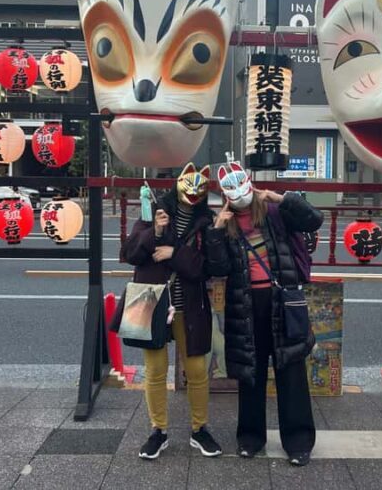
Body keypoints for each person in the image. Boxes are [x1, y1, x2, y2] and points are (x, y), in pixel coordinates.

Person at [205, 162, 323, 466]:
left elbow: (314, 220)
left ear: (250, 183)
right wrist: (216, 231)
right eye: (231, 191)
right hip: (244, 304)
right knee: (251, 372)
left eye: (242, 187)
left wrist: (282, 198)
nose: (239, 196)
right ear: (225, 195)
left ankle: (298, 441)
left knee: (291, 371)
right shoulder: (226, 223)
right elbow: (218, 269)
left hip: (281, 300)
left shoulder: (274, 211)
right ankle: (250, 438)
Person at [121, 163, 222, 460]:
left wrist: (174, 253)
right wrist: (155, 231)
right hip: (152, 303)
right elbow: (130, 253)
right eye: (189, 186)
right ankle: (158, 431)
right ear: (178, 183)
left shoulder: (206, 222)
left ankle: (199, 429)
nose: (193, 194)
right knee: (155, 370)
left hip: (190, 305)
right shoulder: (154, 212)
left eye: (200, 188)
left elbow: (207, 268)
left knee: (197, 370)